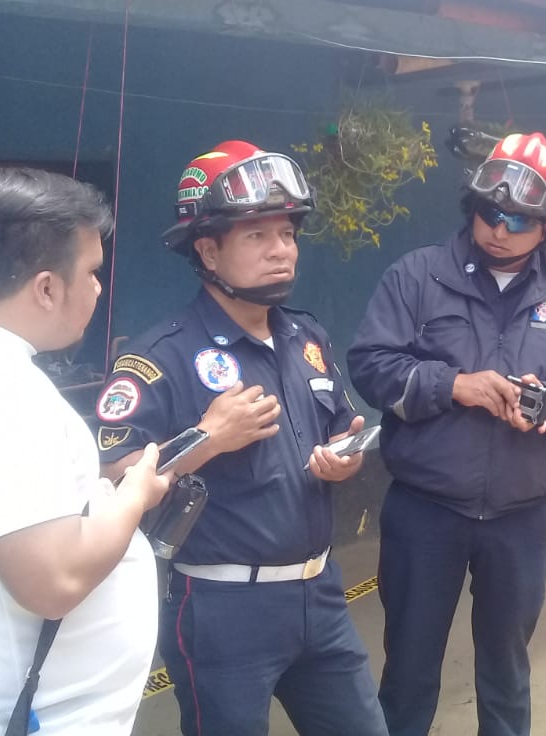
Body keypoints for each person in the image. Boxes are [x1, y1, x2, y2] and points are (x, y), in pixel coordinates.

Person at [92, 140, 387, 736]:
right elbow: (112, 478)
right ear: (208, 249)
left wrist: (343, 461)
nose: (281, 251)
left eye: (288, 234)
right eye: (257, 236)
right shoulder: (159, 357)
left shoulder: (308, 336)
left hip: (320, 595)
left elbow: (340, 427)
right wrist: (207, 437)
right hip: (222, 611)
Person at [348, 131, 546, 736]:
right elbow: (370, 365)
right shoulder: (416, 276)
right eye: (489, 213)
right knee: (410, 669)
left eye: (518, 220)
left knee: (507, 670)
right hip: (425, 514)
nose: (498, 228)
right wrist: (453, 385)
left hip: (521, 518)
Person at [0, 169, 170, 735]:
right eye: (92, 272)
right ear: (46, 287)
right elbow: (54, 581)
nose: (98, 288)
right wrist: (134, 496)